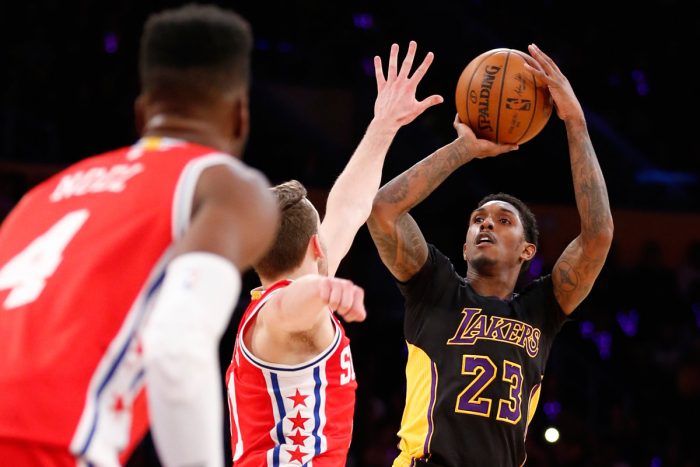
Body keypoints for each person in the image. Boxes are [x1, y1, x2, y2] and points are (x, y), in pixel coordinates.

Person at [0, 4, 279, 467]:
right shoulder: (224, 184)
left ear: (141, 114)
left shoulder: (44, 196)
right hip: (45, 449)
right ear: (240, 117)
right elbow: (176, 343)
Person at [367, 43, 614, 466]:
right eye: (478, 219)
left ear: (527, 250)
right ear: (463, 245)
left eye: (503, 221)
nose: (486, 225)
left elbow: (597, 236)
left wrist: (575, 123)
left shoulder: (542, 309)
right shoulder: (436, 288)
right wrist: (463, 149)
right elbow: (382, 210)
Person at [225, 40, 443, 466]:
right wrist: (325, 289)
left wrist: (384, 125)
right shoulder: (279, 315)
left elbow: (349, 206)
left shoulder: (299, 284)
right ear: (313, 244)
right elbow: (290, 306)